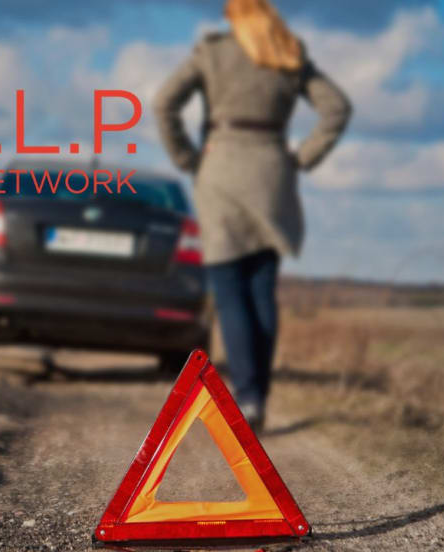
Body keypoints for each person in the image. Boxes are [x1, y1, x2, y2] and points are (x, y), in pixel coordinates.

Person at [153, 0, 351, 431]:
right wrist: (303, 158)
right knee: (262, 286)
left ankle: (247, 396)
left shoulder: (213, 52)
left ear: (234, 16)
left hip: (220, 169)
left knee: (229, 289)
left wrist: (187, 158)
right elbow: (336, 108)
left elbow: (163, 104)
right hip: (272, 172)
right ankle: (258, 395)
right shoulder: (287, 52)